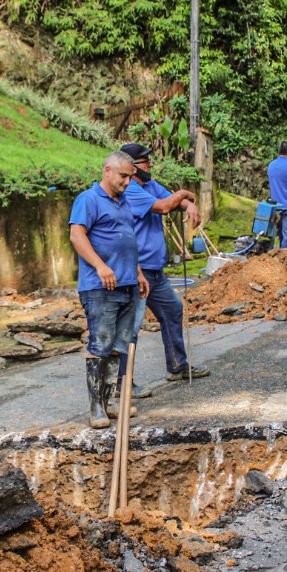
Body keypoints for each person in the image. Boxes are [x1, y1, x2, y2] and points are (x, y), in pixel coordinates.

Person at [119, 142, 210, 391]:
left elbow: (174, 200)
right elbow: (164, 205)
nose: (151, 165)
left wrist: (189, 204)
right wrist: (184, 196)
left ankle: (177, 365)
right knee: (131, 327)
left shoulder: (149, 185)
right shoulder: (131, 191)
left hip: (155, 271)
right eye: (146, 162)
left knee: (172, 310)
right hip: (136, 271)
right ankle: (123, 383)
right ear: (131, 167)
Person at [69, 151, 150, 429]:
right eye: (123, 176)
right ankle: (96, 408)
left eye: (130, 177)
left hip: (127, 284)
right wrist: (100, 266)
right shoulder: (88, 200)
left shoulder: (124, 201)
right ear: (107, 171)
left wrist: (138, 272)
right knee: (100, 345)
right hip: (100, 286)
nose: (128, 182)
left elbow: (128, 240)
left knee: (118, 346)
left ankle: (111, 400)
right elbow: (76, 235)